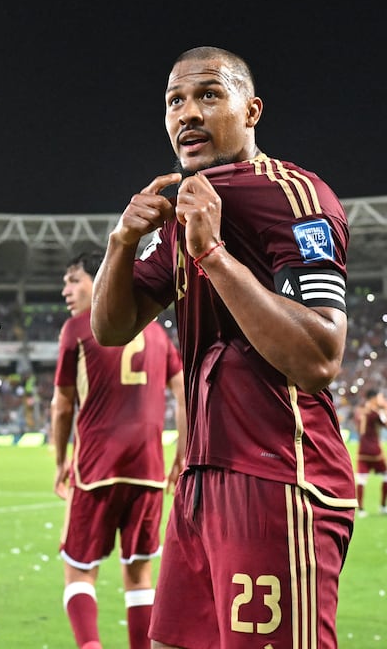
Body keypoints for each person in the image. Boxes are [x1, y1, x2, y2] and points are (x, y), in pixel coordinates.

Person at [91, 46, 357, 649]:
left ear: (251, 110)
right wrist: (121, 242)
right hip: (199, 480)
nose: (188, 113)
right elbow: (112, 327)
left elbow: (320, 356)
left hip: (278, 476)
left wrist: (212, 254)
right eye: (175, 101)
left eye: (209, 95)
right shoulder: (184, 207)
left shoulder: (295, 196)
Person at [51, 252, 186, 649]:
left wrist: (60, 461)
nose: (66, 290)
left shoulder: (78, 328)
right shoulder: (157, 334)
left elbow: (62, 405)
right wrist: (182, 451)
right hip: (148, 470)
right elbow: (184, 391)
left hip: (95, 467)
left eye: (74, 280)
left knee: (78, 571)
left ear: (101, 279)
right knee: (140, 576)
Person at [354, 388, 387, 517]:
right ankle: (383, 506)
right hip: (374, 451)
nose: (382, 400)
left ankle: (361, 510)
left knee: (361, 479)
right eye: (380, 397)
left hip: (362, 450)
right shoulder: (375, 413)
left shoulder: (360, 411)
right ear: (373, 398)